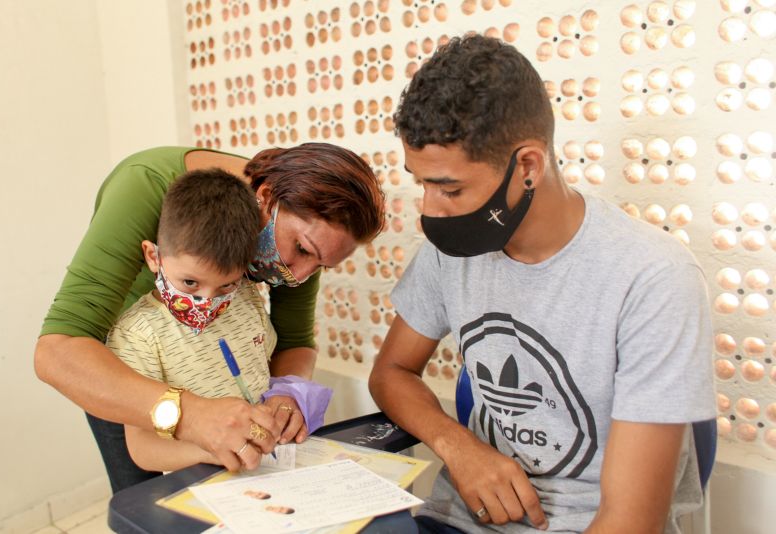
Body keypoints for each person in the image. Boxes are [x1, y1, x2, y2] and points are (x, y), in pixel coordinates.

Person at [369, 35, 715, 533]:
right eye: (421, 183)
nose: (430, 209)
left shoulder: (654, 279)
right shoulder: (451, 256)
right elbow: (392, 372)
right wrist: (458, 447)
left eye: (450, 188)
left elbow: (630, 521)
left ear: (527, 165)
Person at [35, 143, 384, 492]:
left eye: (320, 265)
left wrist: (286, 396)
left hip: (222, 387)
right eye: (303, 250)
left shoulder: (306, 241)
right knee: (144, 504)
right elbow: (57, 351)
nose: (299, 275)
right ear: (265, 197)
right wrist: (193, 416)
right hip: (123, 374)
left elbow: (294, 342)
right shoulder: (144, 185)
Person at [108, 168, 331, 473]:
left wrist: (285, 401)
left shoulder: (247, 298)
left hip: (263, 468)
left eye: (226, 285)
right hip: (202, 478)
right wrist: (211, 449)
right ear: (153, 257)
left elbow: (267, 373)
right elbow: (143, 449)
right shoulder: (137, 335)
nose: (207, 301)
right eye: (189, 282)